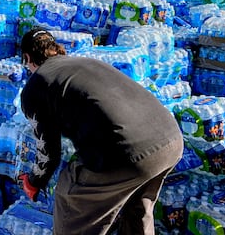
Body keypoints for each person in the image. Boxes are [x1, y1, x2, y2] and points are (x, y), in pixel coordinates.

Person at [17, 28, 183, 235]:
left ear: (26, 58)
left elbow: (48, 151)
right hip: (170, 139)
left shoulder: (37, 84)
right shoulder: (86, 63)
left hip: (128, 151)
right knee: (137, 210)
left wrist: (34, 182)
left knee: (71, 198)